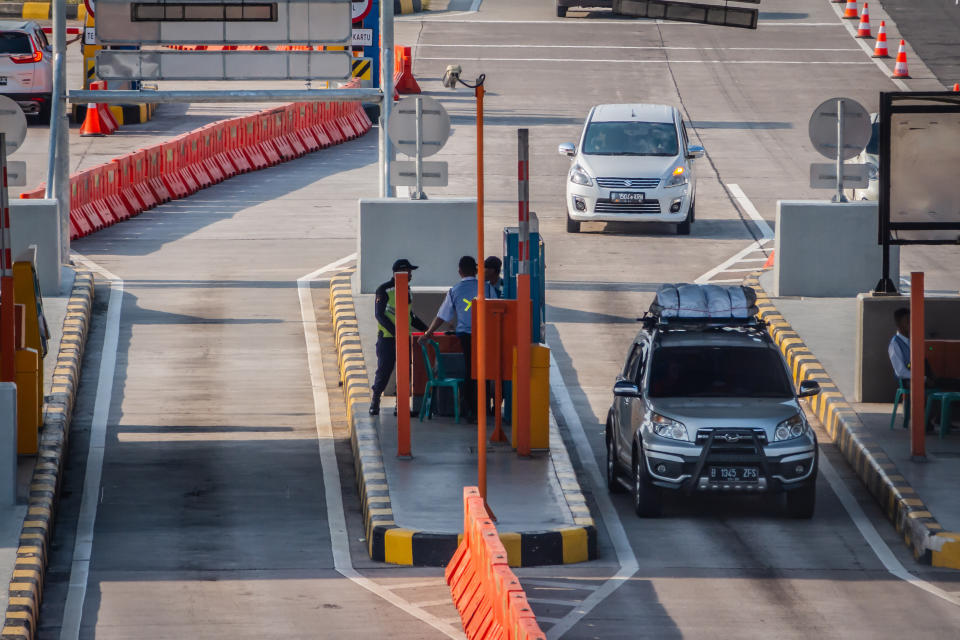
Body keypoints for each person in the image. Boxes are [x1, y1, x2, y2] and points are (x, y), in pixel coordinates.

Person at [421, 256, 498, 420]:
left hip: (465, 336)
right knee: (483, 371)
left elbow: (442, 316)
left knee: (470, 371)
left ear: (459, 271)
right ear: (476, 270)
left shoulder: (454, 290)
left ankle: (470, 410)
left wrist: (428, 333)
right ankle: (483, 409)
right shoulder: (487, 287)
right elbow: (495, 309)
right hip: (484, 335)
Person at [370, 259, 428, 416]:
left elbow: (410, 315)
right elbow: (379, 314)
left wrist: (426, 329)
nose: (411, 275)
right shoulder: (384, 289)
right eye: (409, 271)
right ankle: (375, 401)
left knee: (404, 373)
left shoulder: (407, 290)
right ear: (400, 272)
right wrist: (397, 332)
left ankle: (400, 406)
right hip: (388, 338)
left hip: (404, 339)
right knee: (384, 370)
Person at [888, 307, 960, 430]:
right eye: (907, 321)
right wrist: (924, 378)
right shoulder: (895, 344)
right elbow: (900, 371)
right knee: (933, 387)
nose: (911, 324)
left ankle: (939, 417)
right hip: (908, 380)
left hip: (923, 376)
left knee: (954, 384)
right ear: (899, 324)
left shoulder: (912, 340)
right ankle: (926, 421)